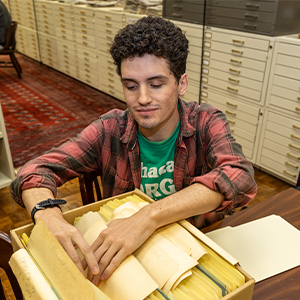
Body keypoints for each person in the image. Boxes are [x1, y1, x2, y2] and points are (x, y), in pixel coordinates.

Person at [10, 15, 257, 286]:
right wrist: (48, 215)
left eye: (156, 84)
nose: (142, 99)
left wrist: (147, 217)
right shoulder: (108, 129)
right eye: (130, 86)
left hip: (198, 252)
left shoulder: (207, 121)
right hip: (130, 263)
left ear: (181, 83)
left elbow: (239, 176)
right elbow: (32, 171)